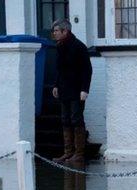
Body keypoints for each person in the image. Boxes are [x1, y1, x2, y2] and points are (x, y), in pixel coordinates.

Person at [51, 19, 92, 163]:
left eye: (57, 31)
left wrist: (84, 89)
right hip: (63, 89)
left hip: (76, 90)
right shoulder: (60, 46)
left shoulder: (79, 46)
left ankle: (79, 154)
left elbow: (87, 70)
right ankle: (68, 152)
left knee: (76, 119)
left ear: (65, 31)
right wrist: (56, 85)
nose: (54, 34)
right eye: (54, 31)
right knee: (65, 119)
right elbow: (59, 69)